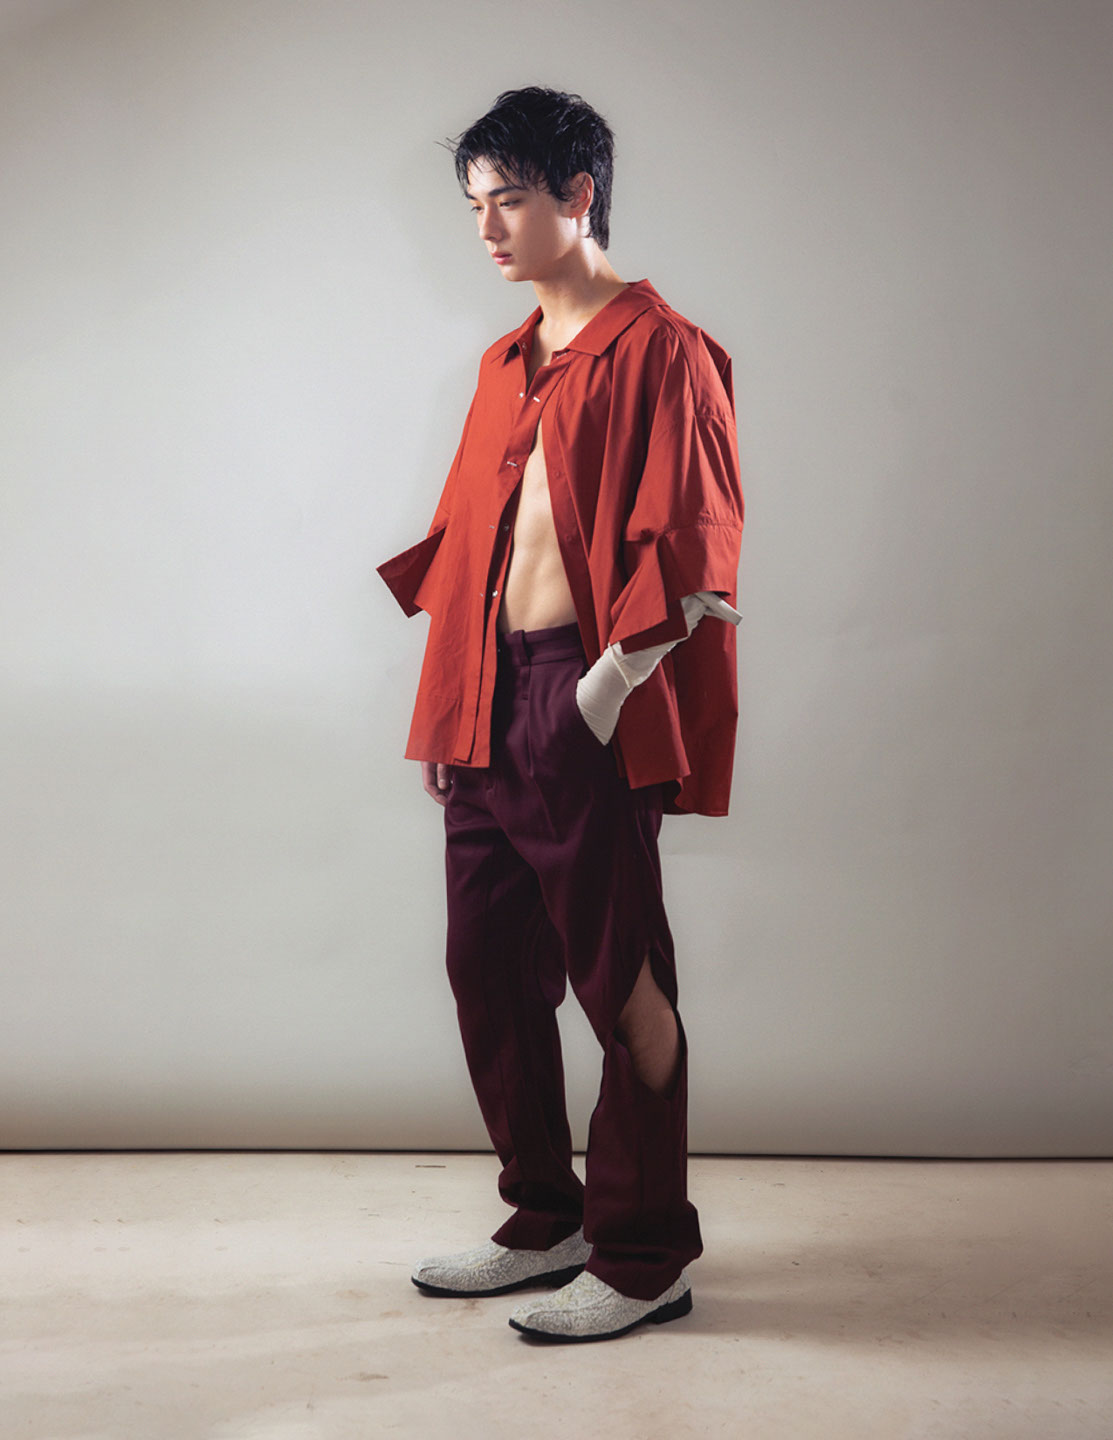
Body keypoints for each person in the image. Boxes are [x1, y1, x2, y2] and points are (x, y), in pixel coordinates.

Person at [378, 86, 744, 1343]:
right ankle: (548, 1219)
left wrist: (606, 691)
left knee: (620, 977)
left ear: (580, 195)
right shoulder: (505, 360)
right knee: (486, 969)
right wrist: (449, 709)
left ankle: (645, 1257)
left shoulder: (663, 349)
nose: (486, 229)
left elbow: (695, 542)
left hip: (582, 699)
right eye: (474, 204)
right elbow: (469, 541)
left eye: (511, 200)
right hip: (484, 695)